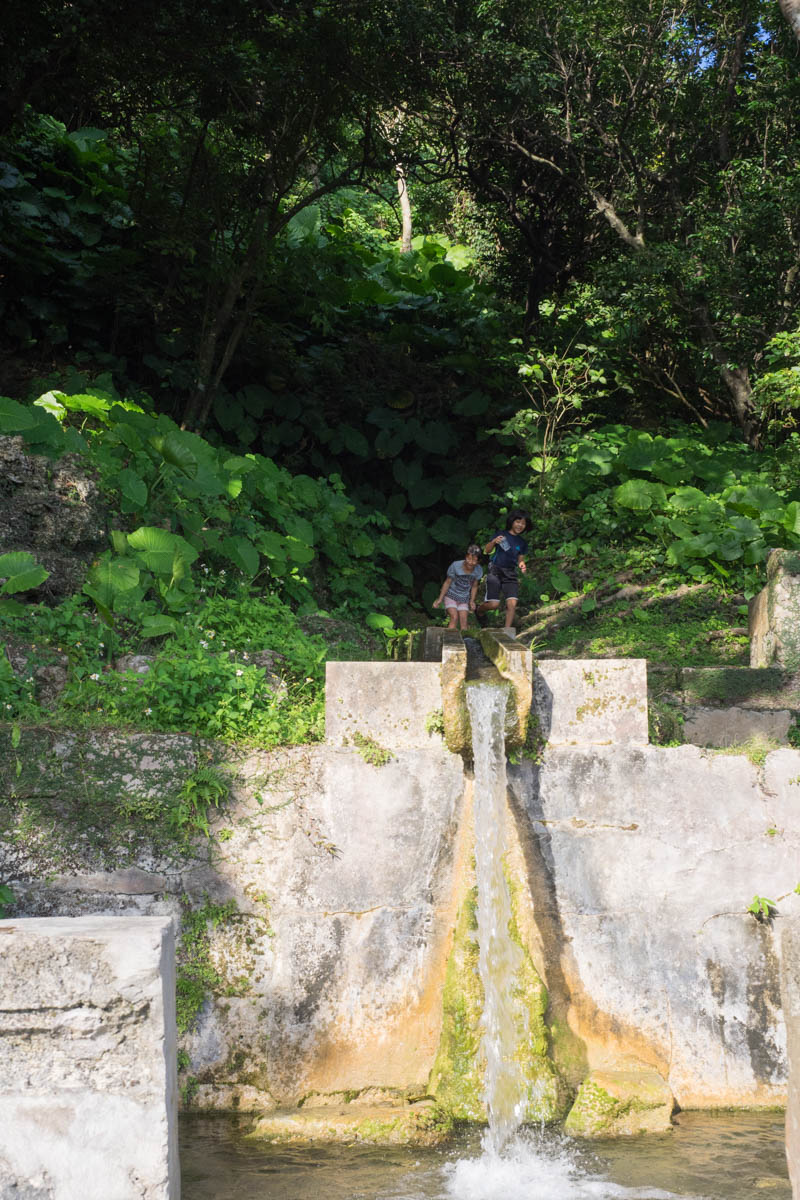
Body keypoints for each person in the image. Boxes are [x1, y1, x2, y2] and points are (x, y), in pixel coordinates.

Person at [475, 510, 528, 631]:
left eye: (523, 523)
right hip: (495, 570)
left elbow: (520, 558)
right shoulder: (501, 534)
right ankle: (479, 610)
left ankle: (507, 631)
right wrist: (493, 542)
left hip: (510, 573)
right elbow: (487, 550)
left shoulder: (522, 542)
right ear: (512, 522)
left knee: (512, 604)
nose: (520, 525)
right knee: (493, 605)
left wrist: (522, 564)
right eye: (518, 522)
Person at [432, 545, 484, 630]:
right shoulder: (456, 566)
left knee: (464, 621)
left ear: (478, 561)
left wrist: (472, 601)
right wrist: (440, 599)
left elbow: (474, 586)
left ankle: (465, 640)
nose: (470, 562)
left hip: (464, 598)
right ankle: (449, 641)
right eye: (469, 558)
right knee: (454, 617)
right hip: (451, 595)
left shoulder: (478, 570)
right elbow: (447, 582)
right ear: (466, 557)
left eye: (474, 560)